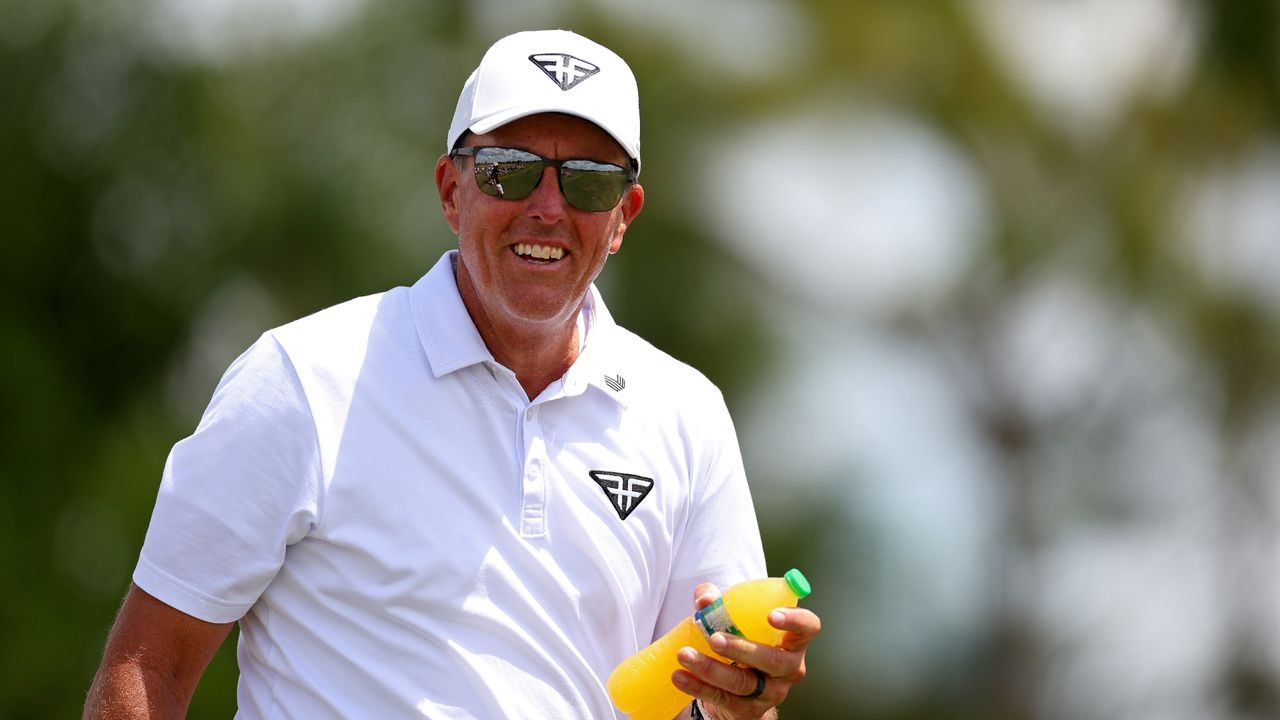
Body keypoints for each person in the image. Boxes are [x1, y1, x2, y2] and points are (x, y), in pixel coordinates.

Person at [84, 29, 821, 720]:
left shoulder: (686, 414)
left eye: (589, 183)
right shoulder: (302, 379)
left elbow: (704, 695)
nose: (547, 208)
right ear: (450, 190)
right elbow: (150, 665)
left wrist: (735, 696)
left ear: (623, 215)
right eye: (510, 171)